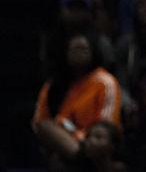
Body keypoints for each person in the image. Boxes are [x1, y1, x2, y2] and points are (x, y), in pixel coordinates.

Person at [33, 32, 122, 167]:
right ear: (66, 53)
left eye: (84, 49)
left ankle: (81, 160)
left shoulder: (105, 82)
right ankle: (80, 159)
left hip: (95, 143)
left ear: (93, 52)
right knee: (47, 130)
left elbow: (107, 128)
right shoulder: (53, 85)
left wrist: (78, 138)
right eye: (74, 50)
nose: (79, 53)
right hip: (62, 143)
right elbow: (39, 122)